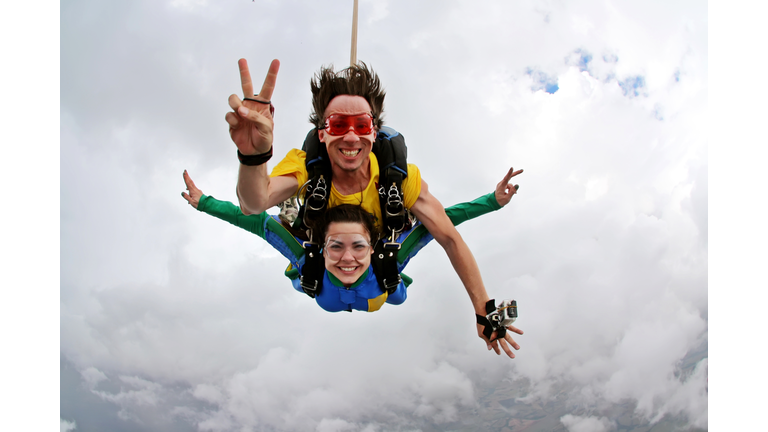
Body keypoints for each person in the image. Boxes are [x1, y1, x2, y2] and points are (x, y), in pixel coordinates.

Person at [224, 58, 524, 357]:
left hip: (379, 256)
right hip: (328, 254)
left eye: (362, 125)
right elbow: (255, 203)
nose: (351, 136)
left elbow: (448, 236)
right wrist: (254, 156)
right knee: (313, 284)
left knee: (393, 293)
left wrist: (484, 309)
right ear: (322, 133)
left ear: (374, 131)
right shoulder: (306, 166)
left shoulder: (399, 179)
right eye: (338, 124)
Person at [182, 169, 524, 357]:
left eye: (358, 246)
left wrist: (492, 201)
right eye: (336, 246)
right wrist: (205, 203)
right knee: (306, 276)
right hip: (336, 293)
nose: (347, 258)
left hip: (378, 292)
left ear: (372, 247)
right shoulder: (309, 259)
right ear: (322, 245)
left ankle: (303, 222)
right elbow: (256, 221)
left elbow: (443, 223)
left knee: (396, 292)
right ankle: (295, 216)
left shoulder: (387, 261)